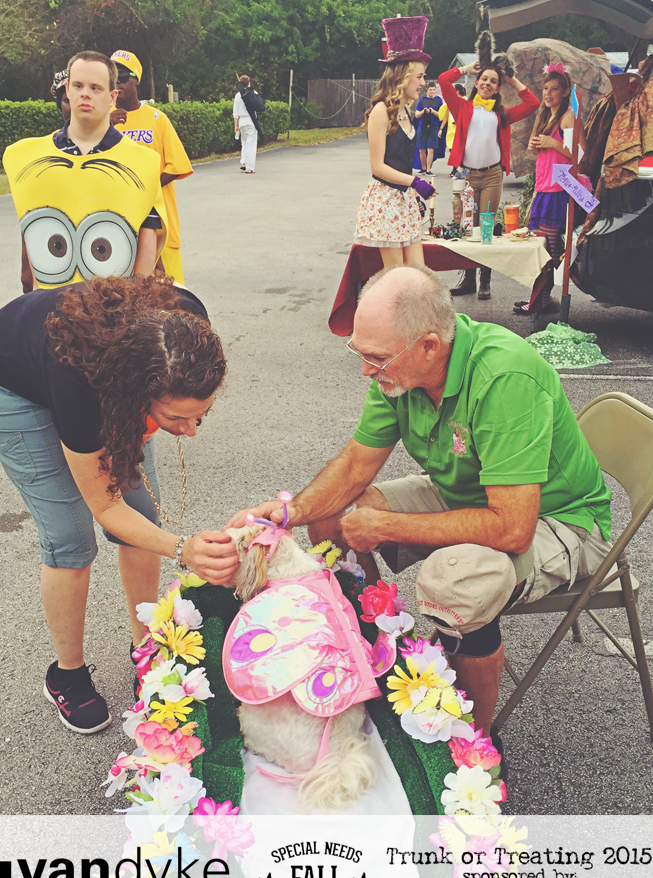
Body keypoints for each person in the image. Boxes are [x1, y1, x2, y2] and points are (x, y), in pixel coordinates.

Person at [230, 265, 612, 738]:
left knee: (455, 583)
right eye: (361, 353)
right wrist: (290, 511)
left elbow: (512, 528)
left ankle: (473, 746)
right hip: (474, 495)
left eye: (377, 359)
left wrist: (388, 527)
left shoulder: (504, 375)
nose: (366, 369)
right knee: (332, 514)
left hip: (561, 521)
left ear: (429, 346)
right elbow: (353, 467)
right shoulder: (401, 371)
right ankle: (368, 648)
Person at [0, 276, 239, 734]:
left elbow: (134, 513)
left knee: (144, 518)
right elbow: (106, 506)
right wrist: (184, 549)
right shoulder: (81, 388)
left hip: (112, 383)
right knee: (70, 538)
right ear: (136, 395)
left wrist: (165, 419)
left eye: (202, 414)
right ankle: (66, 675)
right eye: (177, 417)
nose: (191, 431)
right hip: (10, 380)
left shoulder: (187, 333)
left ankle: (146, 649)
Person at [4, 50, 167, 290]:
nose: (85, 94)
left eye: (95, 88)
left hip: (115, 309)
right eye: (78, 86)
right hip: (51, 307)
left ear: (112, 97)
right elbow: (33, 225)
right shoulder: (28, 158)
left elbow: (147, 235)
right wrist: (31, 298)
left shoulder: (142, 164)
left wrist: (135, 306)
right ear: (67, 89)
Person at [439, 31, 539, 300]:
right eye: (484, 78)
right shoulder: (462, 107)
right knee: (468, 226)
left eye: (493, 81)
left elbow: (533, 103)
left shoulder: (502, 114)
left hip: (492, 176)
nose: (487, 83)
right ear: (478, 81)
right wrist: (465, 68)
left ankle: (485, 280)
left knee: (485, 229)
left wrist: (511, 78)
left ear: (497, 87)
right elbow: (442, 80)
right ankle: (468, 278)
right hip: (468, 176)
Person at [354, 16, 436, 268]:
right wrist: (415, 181)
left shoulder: (407, 110)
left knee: (418, 273)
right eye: (420, 77)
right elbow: (377, 166)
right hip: (385, 201)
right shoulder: (381, 111)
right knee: (397, 279)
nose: (423, 83)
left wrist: (413, 189)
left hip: (404, 199)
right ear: (404, 76)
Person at [110, 50, 194, 284]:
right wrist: (105, 125)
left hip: (160, 225)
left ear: (136, 78)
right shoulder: (102, 121)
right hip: (119, 224)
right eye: (112, 77)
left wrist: (145, 190)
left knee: (172, 295)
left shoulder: (158, 119)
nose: (117, 82)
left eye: (123, 76)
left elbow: (177, 165)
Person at [513, 63, 586, 316]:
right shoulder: (548, 116)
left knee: (547, 250)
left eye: (554, 89)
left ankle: (542, 301)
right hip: (544, 188)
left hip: (557, 191)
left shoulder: (567, 116)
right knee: (542, 248)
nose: (548, 93)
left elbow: (577, 153)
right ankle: (540, 299)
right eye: (545, 88)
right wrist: (540, 145)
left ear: (565, 92)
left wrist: (551, 142)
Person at [20, 70, 73, 294]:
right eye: (67, 100)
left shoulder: (120, 151)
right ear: (59, 105)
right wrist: (27, 271)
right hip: (56, 260)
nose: (76, 104)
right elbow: (32, 214)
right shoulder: (43, 153)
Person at [233, 74, 264, 174]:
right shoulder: (252, 93)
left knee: (244, 143)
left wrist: (236, 126)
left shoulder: (238, 96)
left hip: (242, 121)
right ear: (249, 83)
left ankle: (244, 162)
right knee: (251, 144)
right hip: (251, 120)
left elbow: (235, 113)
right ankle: (249, 167)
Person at [437, 82, 466, 177]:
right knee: (452, 150)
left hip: (460, 129)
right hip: (451, 130)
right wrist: (441, 128)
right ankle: (457, 168)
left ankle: (456, 169)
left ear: (457, 91)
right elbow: (446, 115)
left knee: (459, 150)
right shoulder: (451, 101)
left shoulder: (465, 101)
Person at [414, 80, 442, 173]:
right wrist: (423, 111)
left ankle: (429, 170)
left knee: (431, 148)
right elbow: (416, 114)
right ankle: (423, 167)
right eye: (430, 90)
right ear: (427, 90)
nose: (432, 91)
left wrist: (433, 111)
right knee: (421, 149)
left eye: (434, 89)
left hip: (433, 127)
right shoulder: (422, 100)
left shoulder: (438, 100)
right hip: (422, 126)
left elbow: (441, 115)